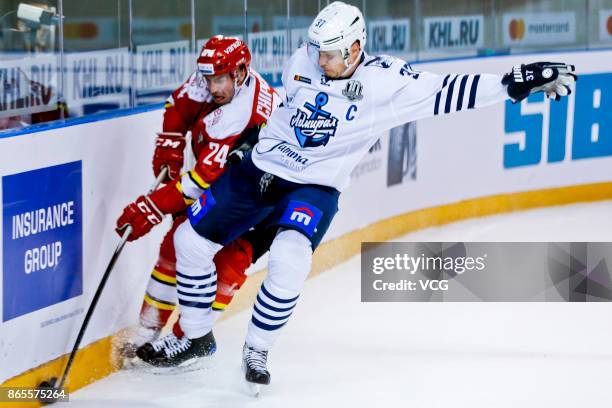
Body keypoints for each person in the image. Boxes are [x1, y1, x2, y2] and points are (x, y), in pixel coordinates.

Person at [134, 0, 576, 390]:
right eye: (316, 50)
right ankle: (195, 338)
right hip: (260, 171)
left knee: (290, 259)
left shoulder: (387, 83)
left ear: (354, 48)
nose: (318, 59)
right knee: (188, 244)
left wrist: (511, 85)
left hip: (315, 186)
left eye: (328, 53)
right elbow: (283, 114)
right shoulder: (302, 60)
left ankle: (257, 350)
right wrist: (254, 146)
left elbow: (448, 91)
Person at [115, 35, 280, 354]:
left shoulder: (243, 113)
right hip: (229, 181)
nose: (213, 87)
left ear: (241, 72)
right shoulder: (216, 77)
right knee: (176, 243)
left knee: (230, 263)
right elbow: (178, 107)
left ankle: (187, 337)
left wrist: (153, 206)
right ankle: (149, 329)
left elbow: (201, 180)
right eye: (209, 79)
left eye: (219, 80)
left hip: (266, 197)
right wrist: (170, 143)